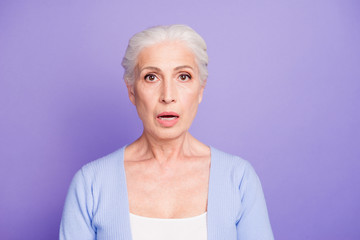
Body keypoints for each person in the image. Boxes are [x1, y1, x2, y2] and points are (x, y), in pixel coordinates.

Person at [59, 24, 274, 240]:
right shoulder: (91, 183)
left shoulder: (238, 178)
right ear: (131, 90)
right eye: (152, 77)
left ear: (201, 89)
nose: (168, 96)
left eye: (183, 76)